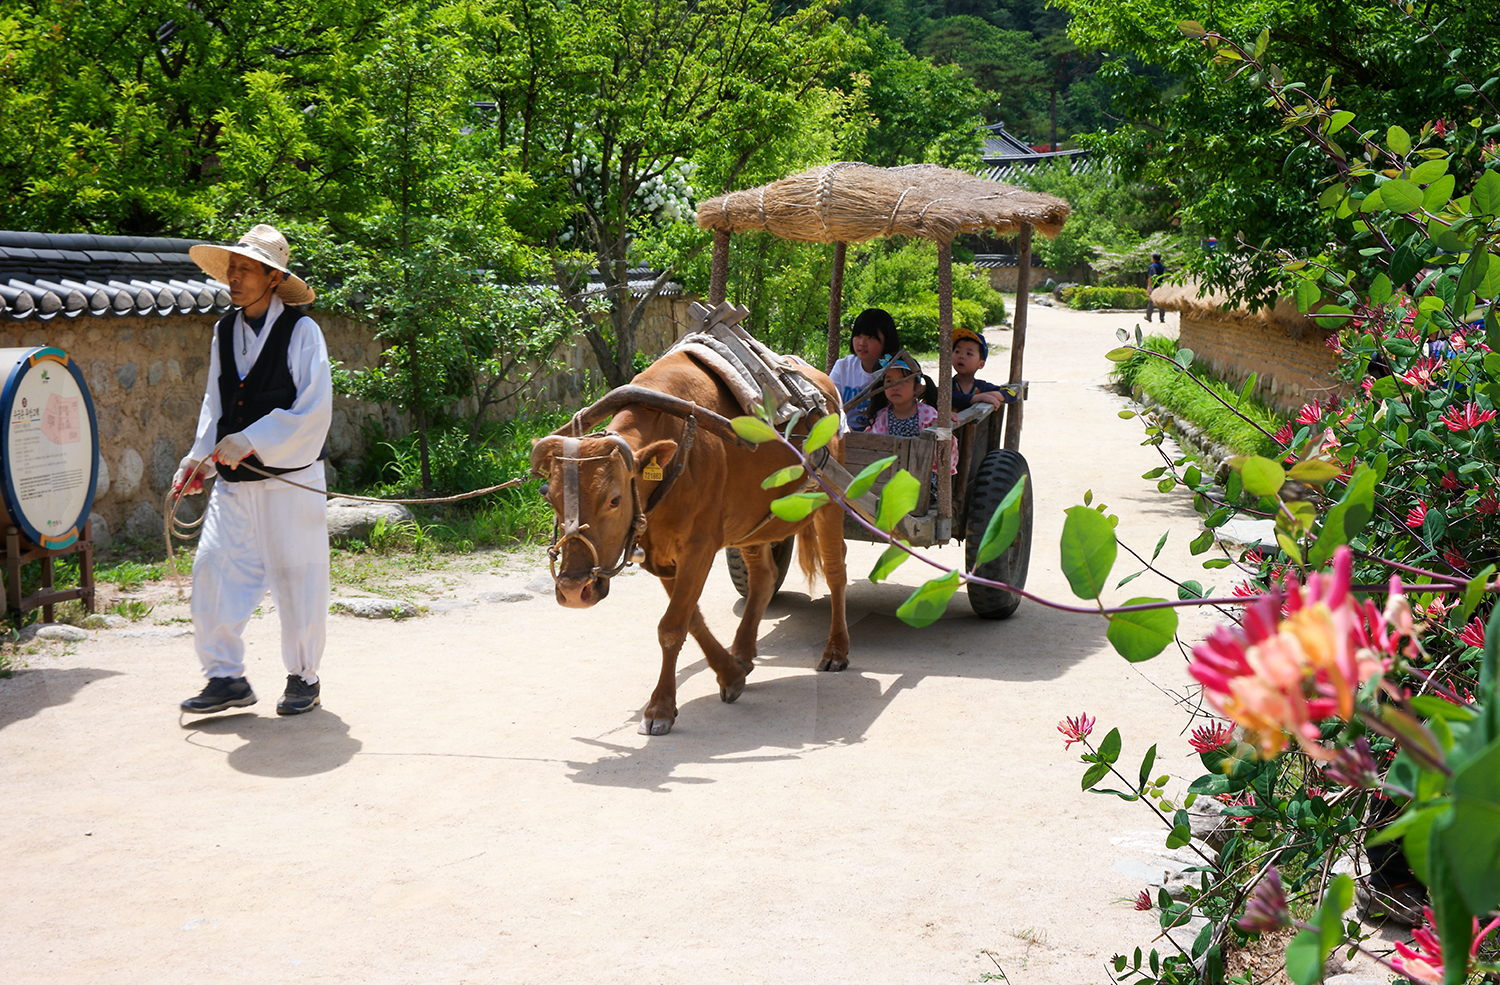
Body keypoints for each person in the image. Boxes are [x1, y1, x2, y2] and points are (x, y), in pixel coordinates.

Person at [173, 224, 333, 716]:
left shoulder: (302, 332)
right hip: (234, 485)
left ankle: (304, 676)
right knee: (213, 570)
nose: (235, 278)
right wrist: (198, 460)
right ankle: (225, 677)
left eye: (246, 269)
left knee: (297, 578)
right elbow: (214, 403)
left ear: (273, 277)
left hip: (290, 483)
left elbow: (314, 410)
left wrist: (253, 439)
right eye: (232, 269)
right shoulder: (225, 331)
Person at [867, 354, 957, 477]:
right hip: (888, 475)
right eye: (889, 381)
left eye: (903, 381)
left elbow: (942, 452)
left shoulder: (929, 415)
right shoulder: (881, 417)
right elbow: (874, 449)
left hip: (924, 475)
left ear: (917, 388)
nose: (895, 387)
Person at [829, 307, 901, 430]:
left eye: (871, 337)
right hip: (845, 431)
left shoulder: (896, 370)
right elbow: (829, 403)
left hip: (883, 434)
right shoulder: (843, 367)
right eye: (858, 335)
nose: (862, 343)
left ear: (887, 340)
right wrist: (843, 427)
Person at [950, 326, 1006, 411]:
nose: (961, 356)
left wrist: (995, 395)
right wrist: (980, 397)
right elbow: (955, 398)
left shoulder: (982, 387)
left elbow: (1011, 393)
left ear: (981, 364)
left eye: (969, 353)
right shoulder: (947, 386)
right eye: (957, 351)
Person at [1145, 252, 1168, 323]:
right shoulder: (1163, 267)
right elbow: (1166, 277)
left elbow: (1150, 277)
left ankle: (1149, 316)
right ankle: (1162, 318)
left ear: (1153, 259)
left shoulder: (1152, 267)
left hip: (1154, 286)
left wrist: (1149, 287)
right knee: (1161, 301)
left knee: (1151, 301)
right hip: (1162, 286)